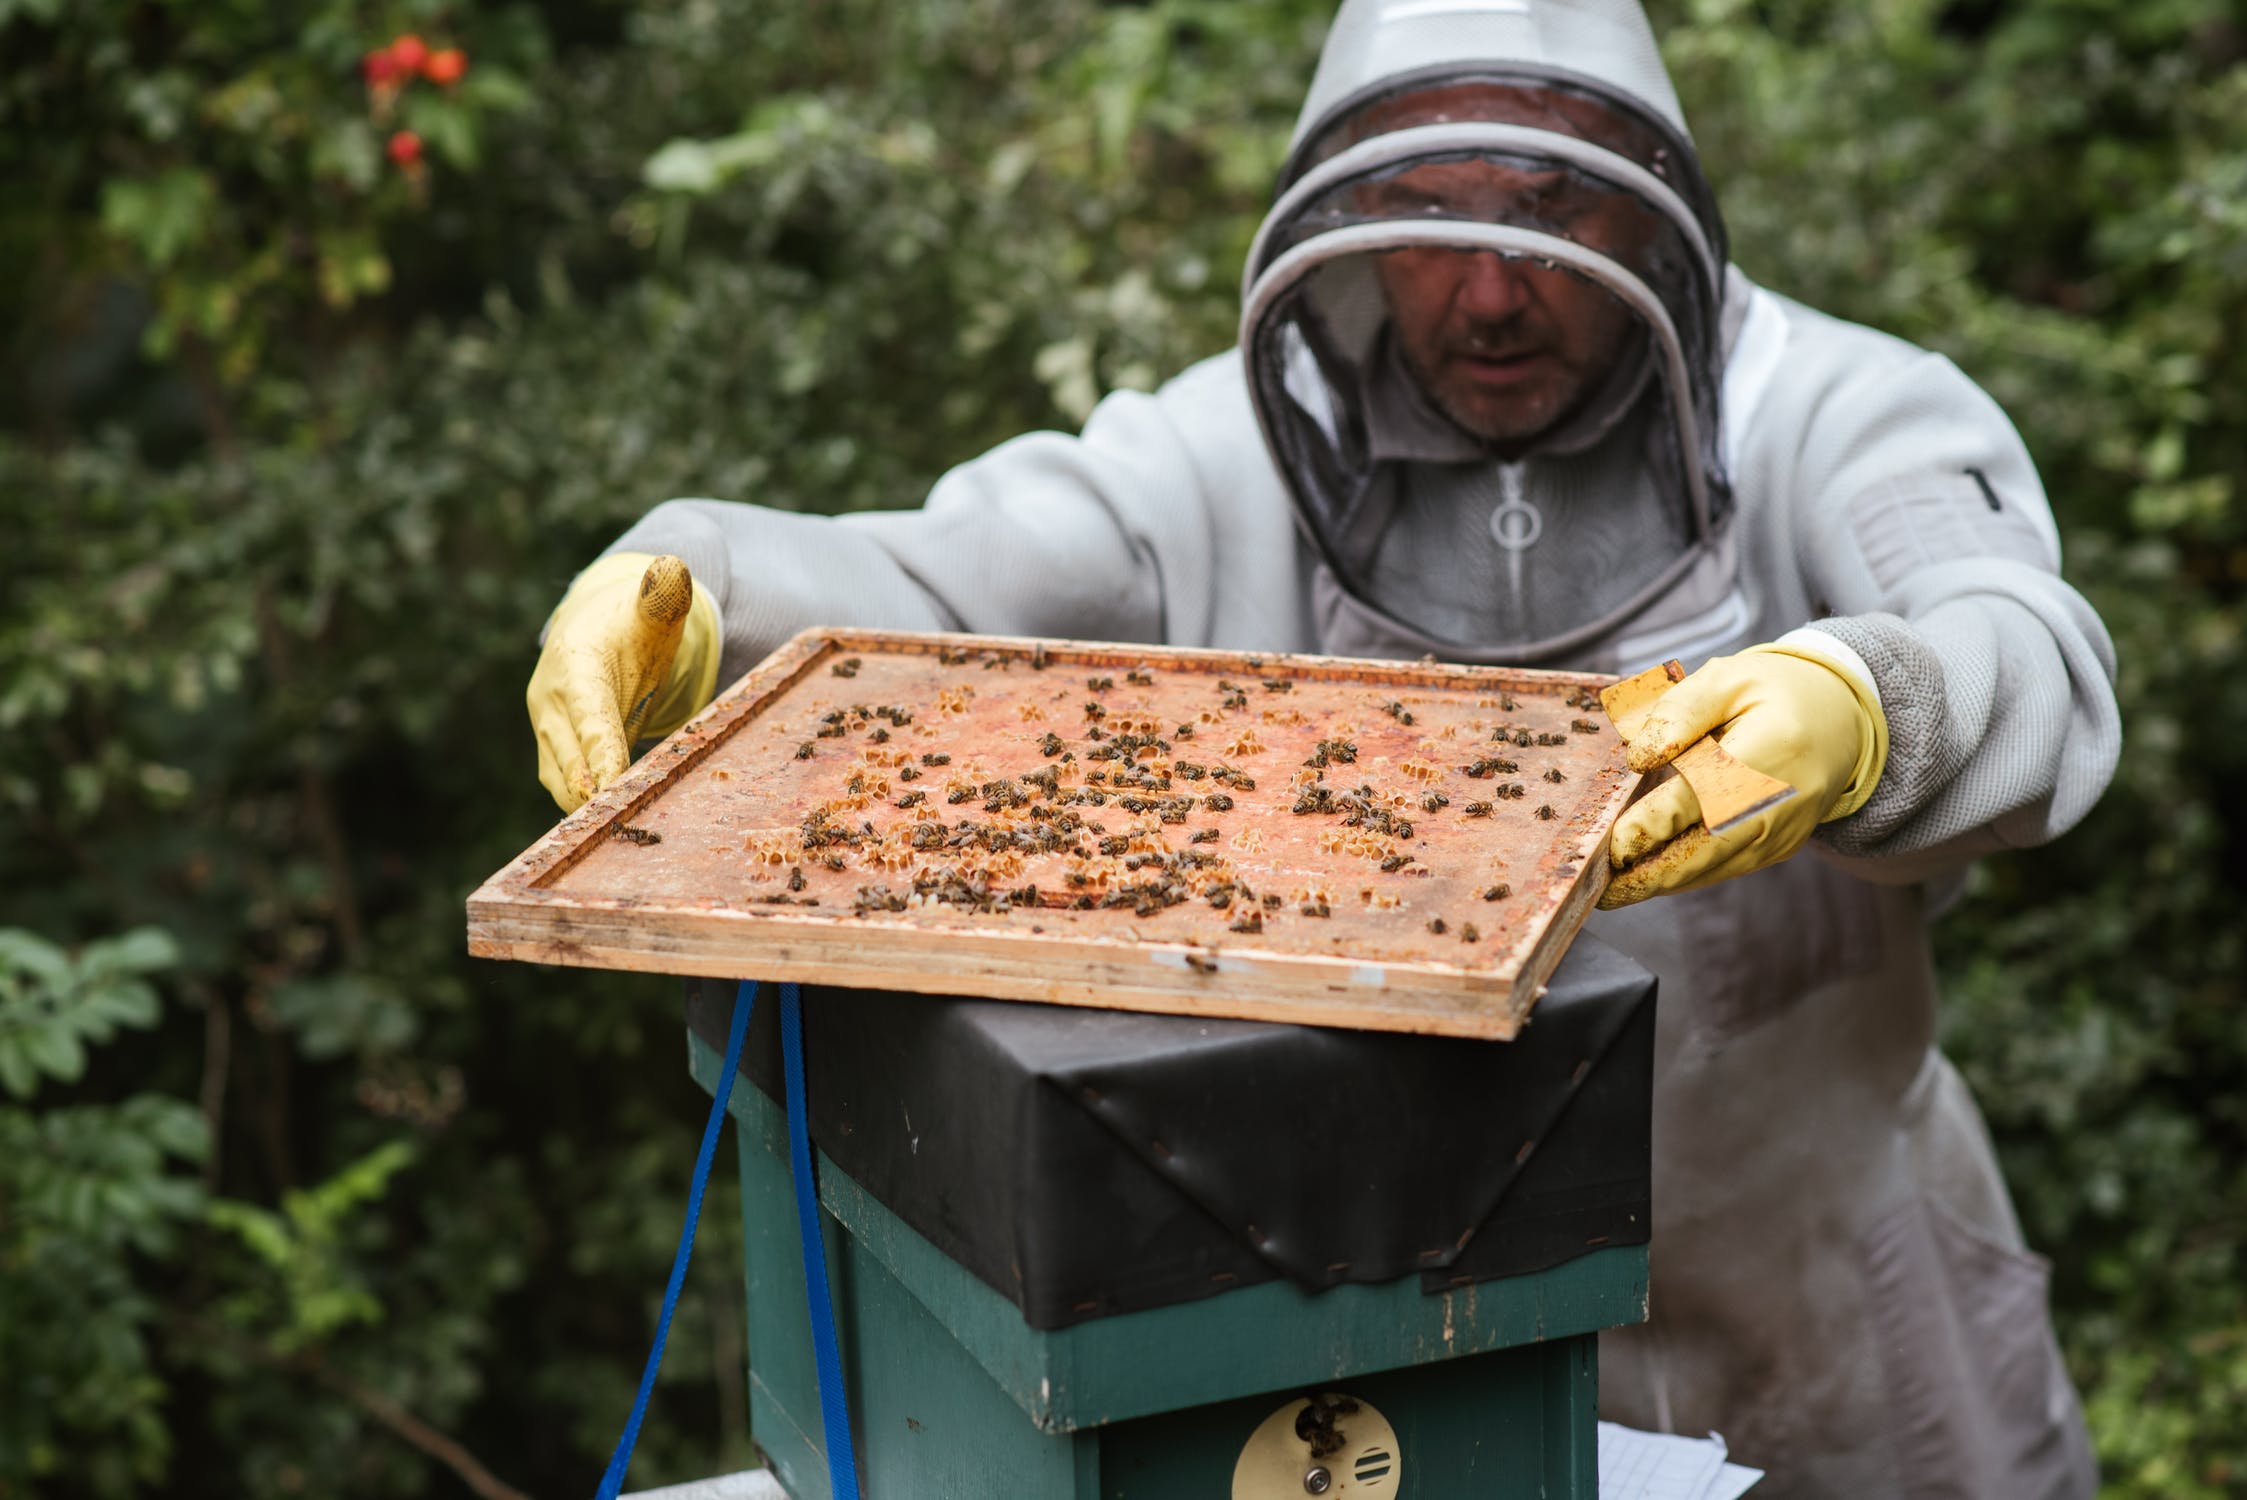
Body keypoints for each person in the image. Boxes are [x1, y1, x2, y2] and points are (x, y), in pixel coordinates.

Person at [526, 1, 2118, 1493]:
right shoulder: (1229, 455)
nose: (1490, 291)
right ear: (1349, 221)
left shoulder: (1837, 413)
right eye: (1432, 217)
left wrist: (1871, 706)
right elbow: (955, 576)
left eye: (1551, 216)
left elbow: (2023, 643)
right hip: (1405, 1369)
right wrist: (705, 589)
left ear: (1659, 205)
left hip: (1838, 1328)